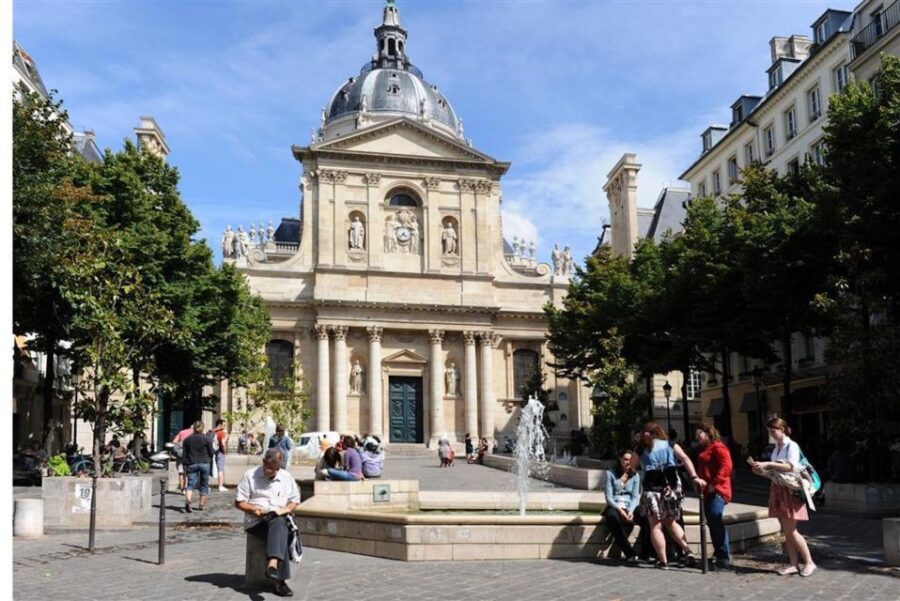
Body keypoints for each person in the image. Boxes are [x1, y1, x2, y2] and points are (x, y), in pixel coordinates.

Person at [750, 417, 816, 577]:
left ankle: (809, 562)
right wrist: (760, 470)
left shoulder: (791, 445)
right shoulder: (776, 447)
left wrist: (768, 464)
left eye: (773, 431)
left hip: (790, 490)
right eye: (769, 432)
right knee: (786, 531)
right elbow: (775, 472)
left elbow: (791, 467)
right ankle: (793, 563)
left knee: (791, 530)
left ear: (782, 430)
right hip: (778, 488)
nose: (771, 434)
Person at [632, 421, 701, 569]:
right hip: (671, 488)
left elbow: (632, 466)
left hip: (652, 488)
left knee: (655, 526)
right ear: (659, 432)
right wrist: (694, 477)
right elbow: (685, 458)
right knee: (671, 522)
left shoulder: (641, 448)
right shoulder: (670, 444)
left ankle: (663, 561)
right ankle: (688, 551)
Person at [234, 448, 301, 598]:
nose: (270, 472)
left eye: (274, 470)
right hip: (256, 521)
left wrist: (286, 509)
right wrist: (254, 509)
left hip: (278, 518)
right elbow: (238, 503)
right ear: (263, 462)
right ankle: (279, 582)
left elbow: (295, 500)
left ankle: (273, 565)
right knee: (280, 531)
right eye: (268, 468)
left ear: (280, 466)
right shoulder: (250, 476)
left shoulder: (286, 477)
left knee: (279, 522)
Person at [695, 423, 734, 570]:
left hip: (717, 491)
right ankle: (719, 554)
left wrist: (713, 484)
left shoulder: (718, 447)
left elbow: (727, 467)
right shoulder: (706, 448)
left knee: (716, 522)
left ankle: (723, 557)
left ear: (708, 433)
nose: (697, 436)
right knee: (712, 523)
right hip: (707, 491)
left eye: (699, 433)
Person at [603, 449, 642, 563]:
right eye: (625, 459)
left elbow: (635, 497)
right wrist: (620, 510)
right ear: (620, 459)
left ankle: (647, 553)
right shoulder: (610, 473)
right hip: (615, 505)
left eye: (630, 460)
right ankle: (630, 553)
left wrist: (630, 510)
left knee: (645, 516)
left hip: (629, 505)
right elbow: (609, 497)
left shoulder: (635, 476)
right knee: (612, 518)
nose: (628, 462)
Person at [183, 421, 215, 513]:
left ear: (194, 428)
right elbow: (211, 452)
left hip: (192, 463)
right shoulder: (207, 439)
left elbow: (184, 454)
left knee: (190, 484)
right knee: (204, 484)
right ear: (202, 428)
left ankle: (188, 500)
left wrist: (185, 464)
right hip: (205, 463)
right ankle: (201, 505)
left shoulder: (187, 440)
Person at [172, 424, 194, 493]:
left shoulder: (182, 432)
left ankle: (182, 489)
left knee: (181, 472)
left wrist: (180, 445)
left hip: (181, 455)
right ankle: (187, 487)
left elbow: (174, 442)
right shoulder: (195, 433)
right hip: (190, 455)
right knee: (188, 473)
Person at [213, 418, 229, 492]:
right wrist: (225, 451)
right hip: (220, 452)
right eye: (224, 425)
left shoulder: (211, 432)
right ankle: (220, 486)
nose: (225, 426)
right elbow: (222, 443)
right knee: (220, 469)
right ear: (219, 425)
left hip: (211, 452)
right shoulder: (222, 433)